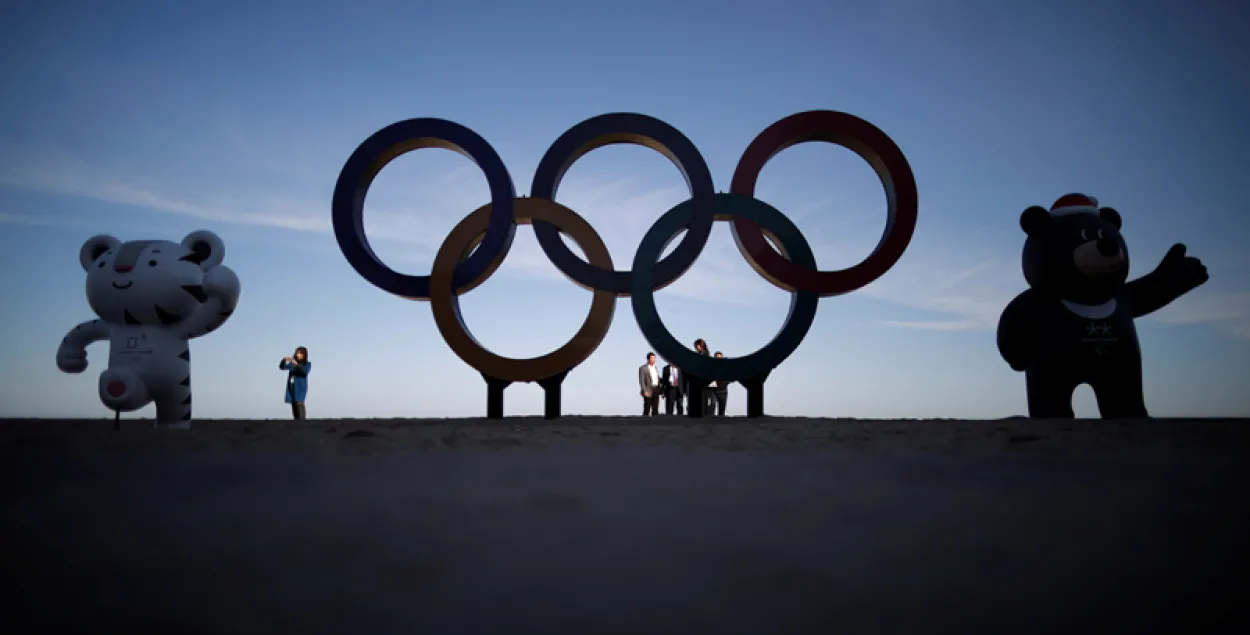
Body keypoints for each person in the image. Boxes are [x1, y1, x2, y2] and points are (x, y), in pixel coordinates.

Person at [279, 346, 312, 420]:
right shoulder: (292, 364)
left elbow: (304, 372)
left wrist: (296, 365)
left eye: (300, 353)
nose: (298, 355)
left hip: (300, 389)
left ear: (304, 355)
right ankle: (297, 423)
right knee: (294, 406)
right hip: (292, 388)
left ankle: (302, 422)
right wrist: (284, 360)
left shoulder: (307, 364)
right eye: (297, 353)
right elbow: (282, 367)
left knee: (299, 404)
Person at [638, 351, 660, 416]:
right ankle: (645, 421)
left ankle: (655, 421)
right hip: (648, 389)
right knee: (647, 406)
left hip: (656, 388)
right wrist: (644, 390)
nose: (653, 360)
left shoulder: (655, 368)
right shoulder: (643, 368)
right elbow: (641, 380)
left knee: (655, 406)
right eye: (652, 358)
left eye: (654, 358)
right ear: (648, 359)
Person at [708, 351, 729, 416]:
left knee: (721, 410)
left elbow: (728, 379)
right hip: (712, 391)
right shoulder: (710, 367)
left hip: (722, 391)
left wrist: (719, 385)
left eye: (720, 358)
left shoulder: (726, 368)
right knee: (712, 406)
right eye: (717, 358)